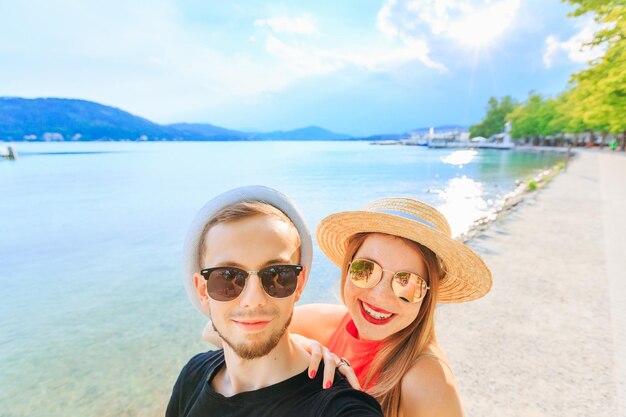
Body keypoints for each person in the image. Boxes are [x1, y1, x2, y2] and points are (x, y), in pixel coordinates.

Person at [205, 197, 492, 417]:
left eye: (407, 282)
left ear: (427, 295)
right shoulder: (330, 324)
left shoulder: (426, 378)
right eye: (366, 271)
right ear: (347, 269)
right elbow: (215, 330)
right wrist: (296, 345)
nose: (380, 296)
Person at [167, 186, 383, 417]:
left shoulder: (339, 408)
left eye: (277, 275)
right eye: (228, 276)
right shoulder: (192, 375)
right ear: (203, 290)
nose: (253, 300)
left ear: (299, 284)